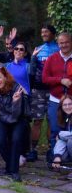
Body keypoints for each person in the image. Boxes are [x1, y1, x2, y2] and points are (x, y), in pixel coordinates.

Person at [30, 25, 59, 156]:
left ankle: (51, 149)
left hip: (54, 90)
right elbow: (32, 69)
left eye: (46, 32)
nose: (43, 34)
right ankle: (33, 150)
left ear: (53, 34)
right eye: (42, 32)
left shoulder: (59, 49)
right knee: (37, 121)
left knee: (52, 120)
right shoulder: (38, 49)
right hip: (38, 90)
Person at [43, 32, 72, 153]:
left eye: (66, 42)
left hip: (71, 100)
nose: (64, 45)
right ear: (58, 44)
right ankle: (55, 158)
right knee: (55, 129)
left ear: (71, 43)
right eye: (61, 43)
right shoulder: (52, 58)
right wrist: (60, 80)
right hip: (55, 99)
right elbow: (44, 78)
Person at [51, 95, 72, 179]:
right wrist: (57, 156)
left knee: (70, 141)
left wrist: (60, 135)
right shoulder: (65, 118)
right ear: (61, 107)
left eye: (70, 104)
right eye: (65, 105)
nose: (67, 107)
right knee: (61, 156)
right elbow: (61, 139)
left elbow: (62, 135)